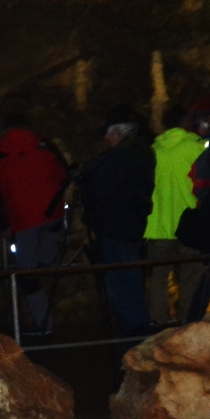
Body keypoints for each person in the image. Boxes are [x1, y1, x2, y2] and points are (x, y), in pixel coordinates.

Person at [75, 106, 156, 337]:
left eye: (109, 133)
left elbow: (101, 187)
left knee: (124, 287)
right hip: (122, 228)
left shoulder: (125, 158)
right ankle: (135, 336)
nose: (106, 138)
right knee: (125, 285)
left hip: (118, 230)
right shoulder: (137, 153)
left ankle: (135, 338)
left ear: (120, 133)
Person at [0, 119, 71, 338]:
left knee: (29, 275)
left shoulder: (1, 166)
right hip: (52, 216)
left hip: (24, 223)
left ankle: (43, 322)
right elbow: (64, 177)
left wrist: (5, 224)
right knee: (44, 261)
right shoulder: (46, 155)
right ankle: (46, 264)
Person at [144, 101, 210, 325]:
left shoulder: (153, 150)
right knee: (191, 278)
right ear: (186, 123)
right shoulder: (196, 147)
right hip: (189, 225)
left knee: (158, 278)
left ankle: (160, 323)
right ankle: (189, 322)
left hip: (157, 226)